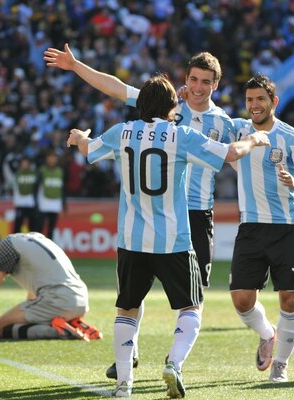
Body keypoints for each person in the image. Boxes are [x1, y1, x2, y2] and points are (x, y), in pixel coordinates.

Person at [66, 74, 269, 398]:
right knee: (190, 308)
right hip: (173, 239)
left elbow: (88, 148)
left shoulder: (122, 133)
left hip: (132, 239)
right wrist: (255, 140)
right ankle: (173, 363)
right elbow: (231, 153)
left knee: (127, 310)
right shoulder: (180, 135)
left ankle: (123, 385)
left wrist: (78, 137)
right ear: (171, 105)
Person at [44, 46, 235, 375]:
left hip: (195, 214)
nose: (198, 86)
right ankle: (131, 355)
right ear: (185, 81)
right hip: (158, 210)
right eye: (193, 79)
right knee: (139, 290)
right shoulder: (165, 104)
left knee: (191, 297)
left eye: (205, 81)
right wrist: (77, 67)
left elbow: (239, 149)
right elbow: (115, 87)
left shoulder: (226, 122)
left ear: (215, 85)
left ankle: (169, 362)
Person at [230, 74, 294, 382]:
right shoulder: (238, 130)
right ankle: (267, 334)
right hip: (251, 226)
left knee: (290, 299)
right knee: (241, 299)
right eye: (250, 100)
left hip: (286, 227)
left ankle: (279, 365)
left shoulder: (291, 136)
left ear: (273, 102)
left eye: (260, 99)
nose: (254, 105)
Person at [0, 232, 100, 341]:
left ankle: (58, 331)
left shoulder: (6, 247)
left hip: (58, 298)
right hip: (81, 298)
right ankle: (71, 322)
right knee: (27, 318)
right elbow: (33, 296)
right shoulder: (35, 238)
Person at [36, 151, 66, 239]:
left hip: (55, 203)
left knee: (51, 229)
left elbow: (63, 189)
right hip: (43, 203)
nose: (52, 160)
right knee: (40, 227)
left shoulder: (60, 171)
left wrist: (64, 203)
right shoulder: (42, 170)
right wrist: (36, 203)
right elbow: (36, 188)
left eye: (54, 158)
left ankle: (49, 248)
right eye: (50, 157)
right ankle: (38, 245)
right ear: (46, 159)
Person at [12, 156, 38, 233]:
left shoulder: (34, 174)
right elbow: (15, 188)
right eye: (23, 163)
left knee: (32, 227)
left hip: (31, 203)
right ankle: (16, 243)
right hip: (20, 203)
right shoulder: (17, 174)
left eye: (26, 163)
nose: (25, 165)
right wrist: (16, 202)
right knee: (17, 226)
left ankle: (32, 244)